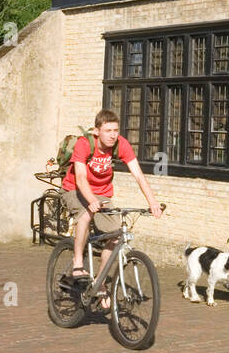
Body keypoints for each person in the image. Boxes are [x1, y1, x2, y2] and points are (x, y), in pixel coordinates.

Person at [61, 109, 164, 309]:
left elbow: (139, 175)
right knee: (86, 215)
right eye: (107, 130)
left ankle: (99, 284)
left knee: (115, 236)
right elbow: (81, 178)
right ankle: (77, 263)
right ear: (97, 131)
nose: (112, 135)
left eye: (115, 130)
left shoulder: (121, 145)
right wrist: (90, 200)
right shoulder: (85, 144)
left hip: (102, 194)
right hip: (74, 189)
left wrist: (152, 202)